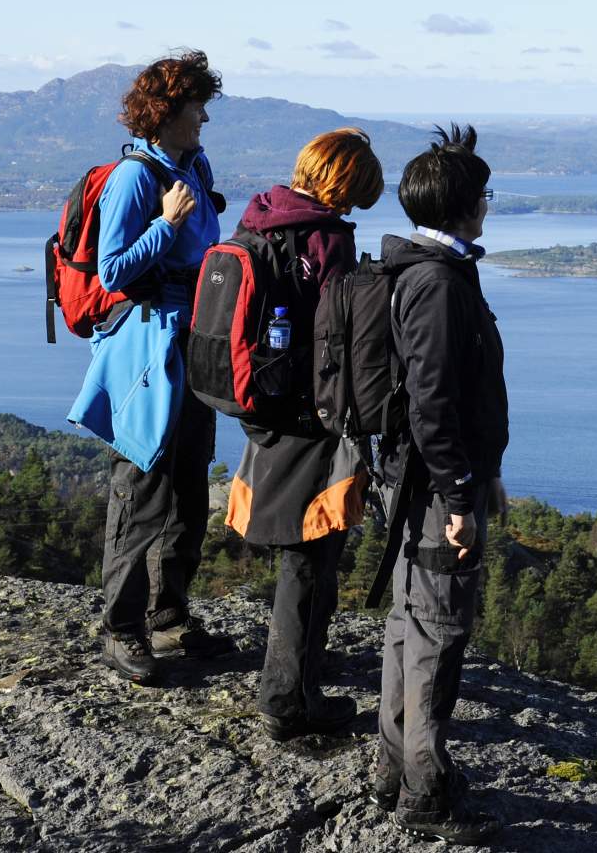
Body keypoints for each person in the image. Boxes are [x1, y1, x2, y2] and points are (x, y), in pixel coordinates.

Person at [68, 50, 234, 684]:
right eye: (197, 108)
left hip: (193, 343)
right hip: (147, 347)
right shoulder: (135, 179)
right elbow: (114, 270)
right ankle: (122, 628)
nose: (203, 120)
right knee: (141, 488)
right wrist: (165, 226)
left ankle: (170, 617)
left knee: (189, 490)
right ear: (168, 111)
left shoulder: (193, 165)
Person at [221, 128, 386, 740]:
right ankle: (288, 696)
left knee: (301, 552)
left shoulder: (259, 218)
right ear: (343, 184)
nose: (354, 207)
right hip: (308, 418)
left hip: (261, 407)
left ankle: (297, 674)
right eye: (356, 192)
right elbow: (339, 341)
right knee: (312, 555)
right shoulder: (325, 238)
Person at [370, 124, 508, 844]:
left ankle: (395, 768)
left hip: (422, 484)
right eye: (483, 193)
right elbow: (434, 403)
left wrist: (485, 480)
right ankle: (425, 791)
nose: (489, 204)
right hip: (432, 495)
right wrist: (462, 498)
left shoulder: (422, 269)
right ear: (464, 205)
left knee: (408, 628)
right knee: (435, 635)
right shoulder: (438, 286)